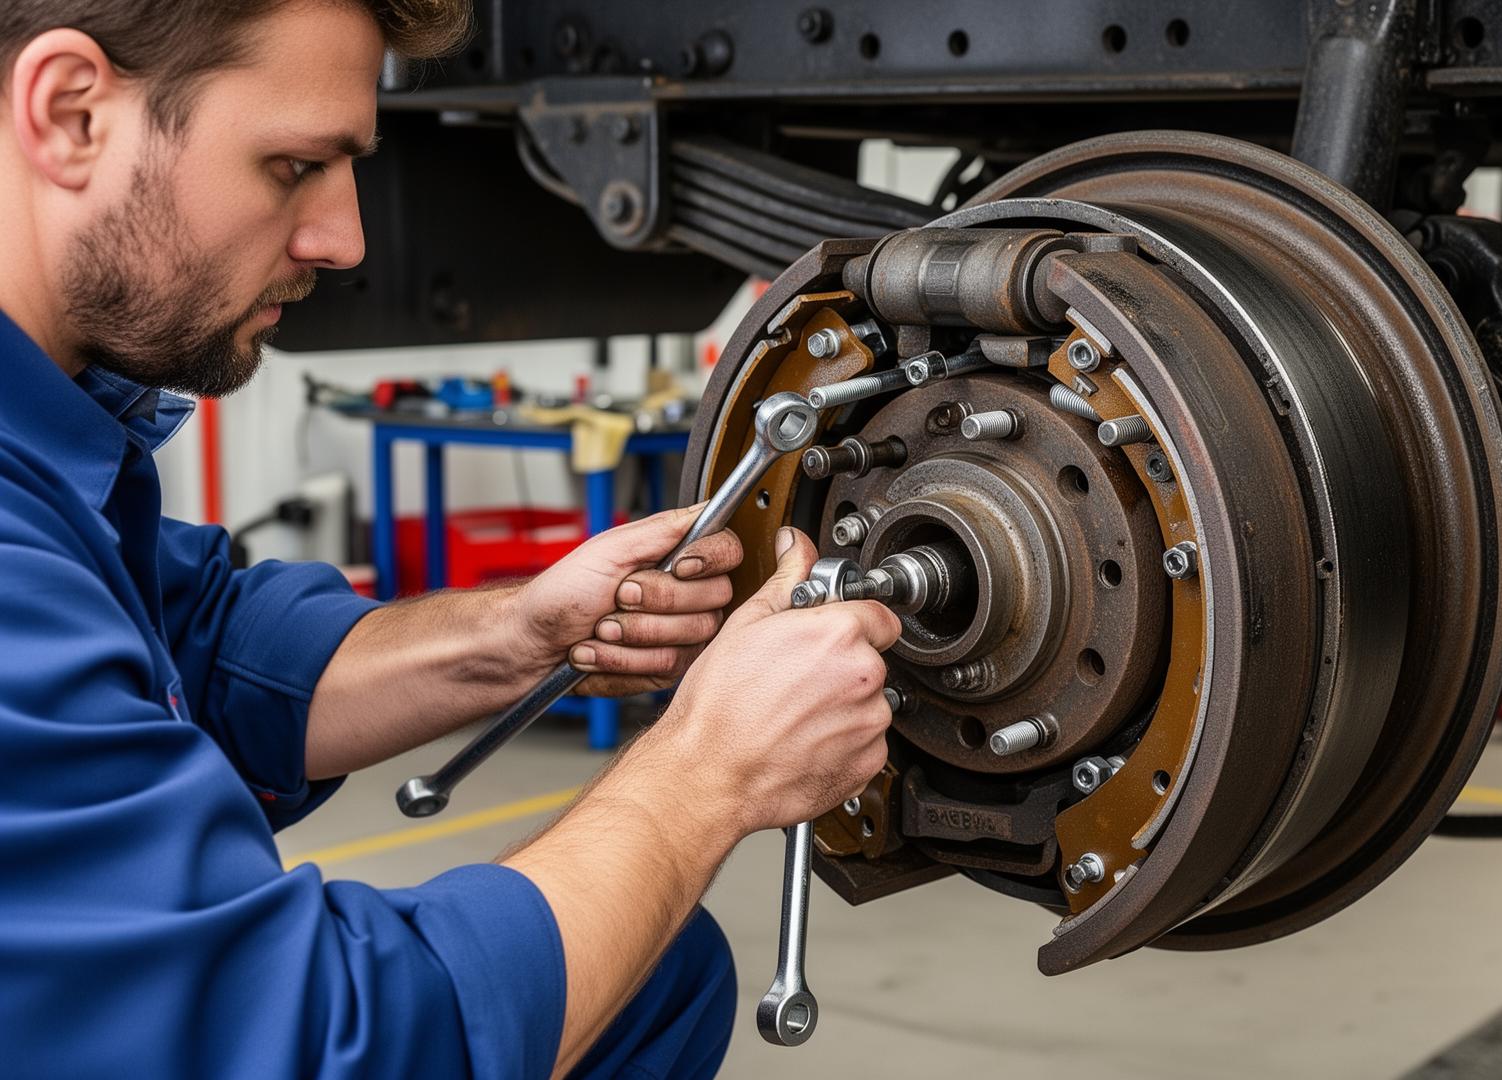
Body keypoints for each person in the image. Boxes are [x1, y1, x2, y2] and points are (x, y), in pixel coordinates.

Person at [0, 1, 902, 1076]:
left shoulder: (55, 445)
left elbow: (193, 646)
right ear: (68, 113)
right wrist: (710, 769)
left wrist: (515, 633)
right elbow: (332, 1049)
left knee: (650, 988)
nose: (345, 241)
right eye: (292, 165)